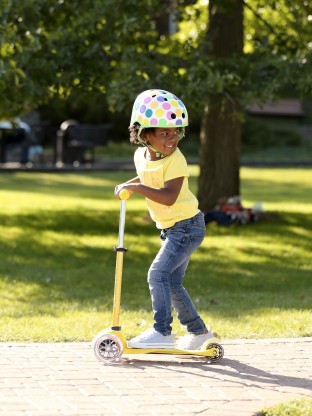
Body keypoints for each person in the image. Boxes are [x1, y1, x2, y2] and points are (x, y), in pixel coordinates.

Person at [114, 89, 214, 350]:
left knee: (157, 275)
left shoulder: (176, 161)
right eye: (164, 133)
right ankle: (199, 332)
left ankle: (162, 331)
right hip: (172, 229)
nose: (172, 139)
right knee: (171, 281)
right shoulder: (141, 156)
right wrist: (130, 184)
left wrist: (136, 189)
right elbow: (148, 178)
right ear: (144, 134)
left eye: (176, 132)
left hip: (187, 226)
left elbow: (169, 196)